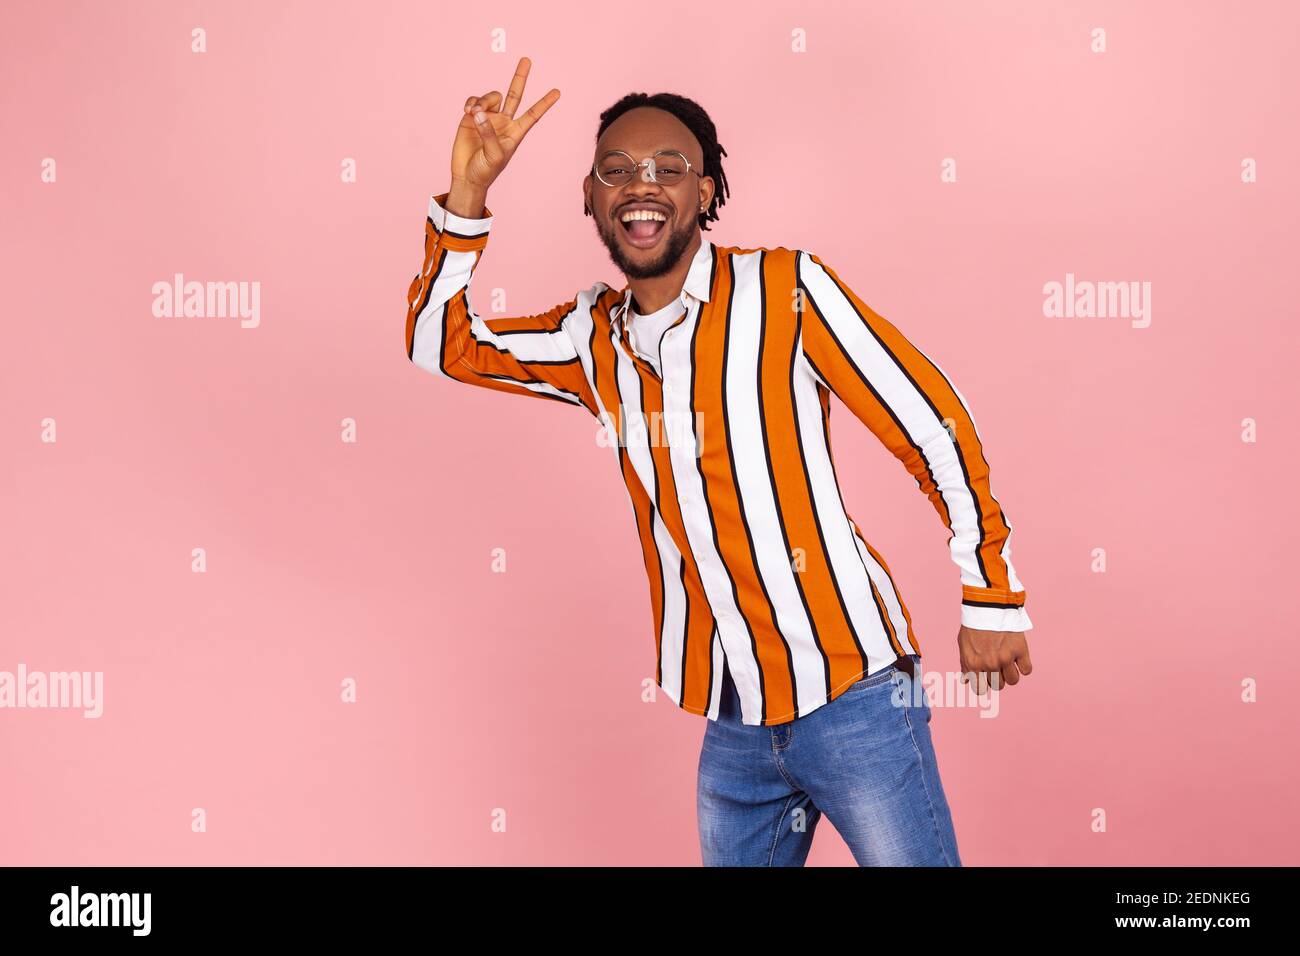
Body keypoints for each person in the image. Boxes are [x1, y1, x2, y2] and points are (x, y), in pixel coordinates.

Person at [404, 57, 1035, 866]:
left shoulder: (786, 289)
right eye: (617, 171)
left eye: (671, 168)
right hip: (733, 721)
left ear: (704, 194)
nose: (643, 185)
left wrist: (991, 592)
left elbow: (932, 421)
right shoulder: (589, 339)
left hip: (858, 697)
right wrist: (469, 198)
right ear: (590, 198)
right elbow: (439, 344)